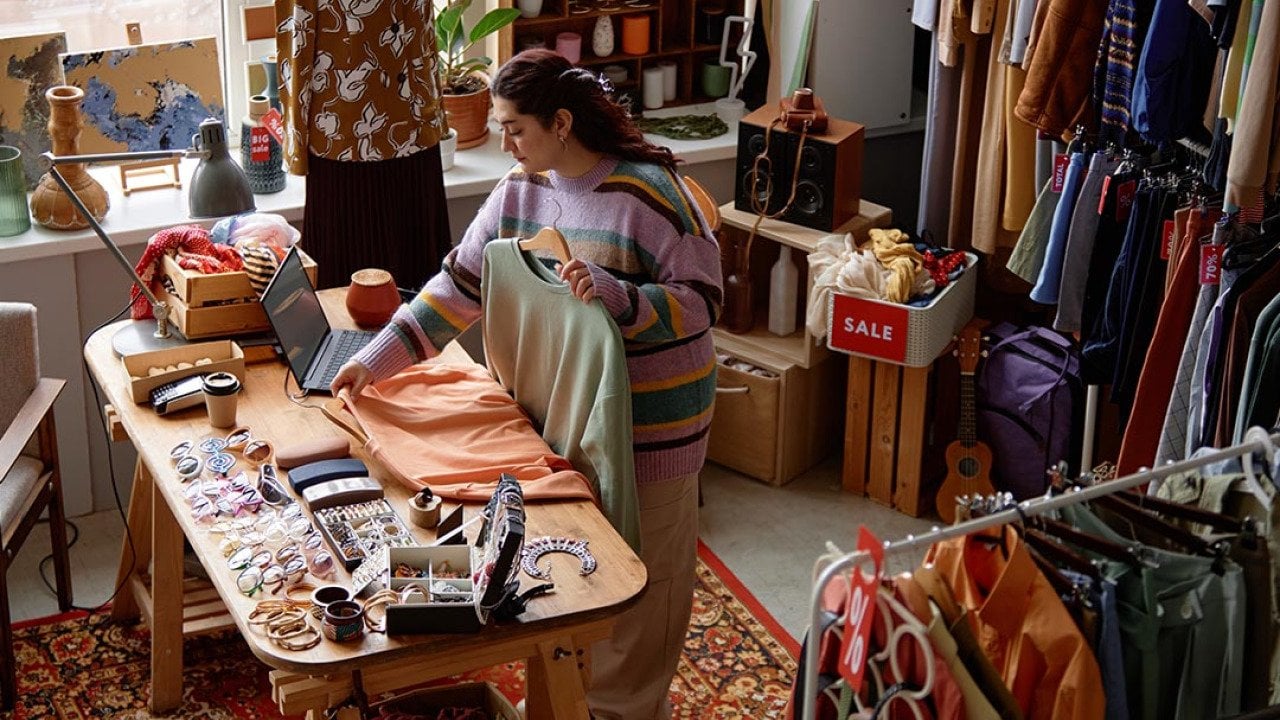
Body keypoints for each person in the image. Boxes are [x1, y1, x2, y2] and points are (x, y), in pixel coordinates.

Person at [331, 49, 724, 720]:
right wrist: (377, 358)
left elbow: (703, 302)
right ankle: (571, 698)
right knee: (574, 570)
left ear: (562, 122)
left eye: (514, 127)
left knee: (642, 590)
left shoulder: (650, 195)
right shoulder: (521, 189)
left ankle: (625, 712)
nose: (503, 140)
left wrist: (619, 298)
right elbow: (460, 284)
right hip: (566, 414)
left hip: (655, 426)